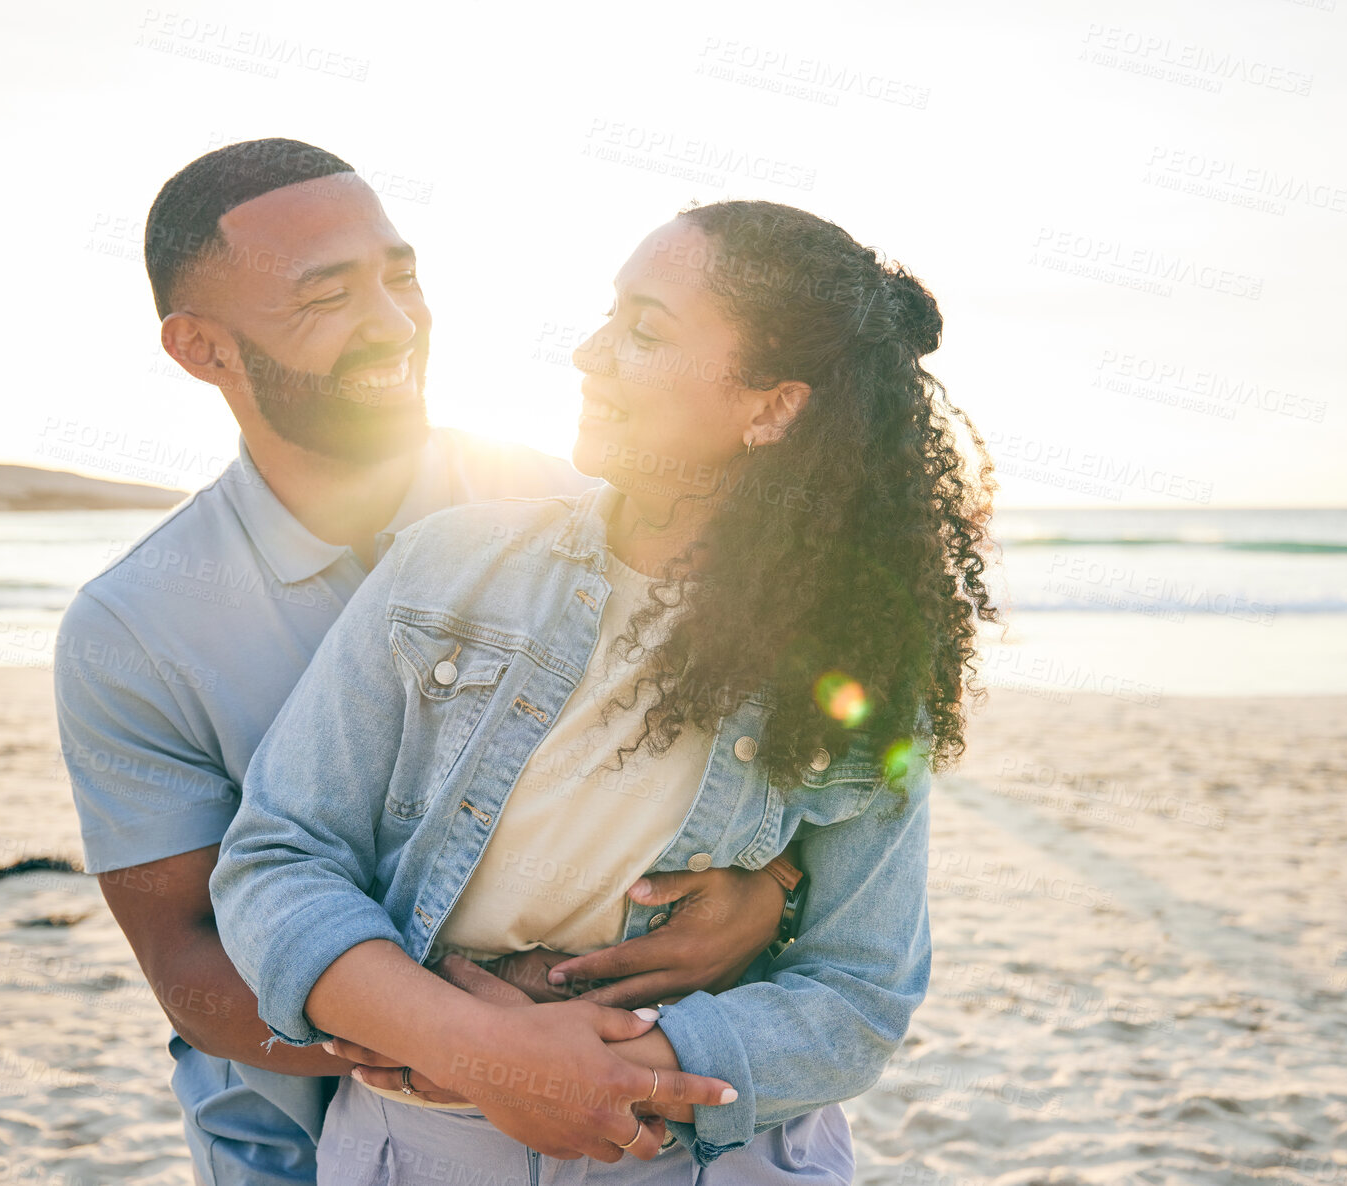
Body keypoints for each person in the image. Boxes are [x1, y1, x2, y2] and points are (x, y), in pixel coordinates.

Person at [53, 141, 804, 1185]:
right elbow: (186, 957)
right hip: (291, 1140)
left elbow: (785, 781)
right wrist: (467, 1046)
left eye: (400, 276)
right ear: (203, 349)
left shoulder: (601, 517)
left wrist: (773, 895)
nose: (396, 324)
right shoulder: (133, 628)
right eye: (326, 295)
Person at [211, 199, 1000, 1181]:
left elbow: (859, 990)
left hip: (704, 1152)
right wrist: (480, 1049)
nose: (589, 354)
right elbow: (277, 859)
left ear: (771, 408)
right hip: (421, 1148)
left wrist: (622, 1065)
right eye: (607, 316)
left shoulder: (856, 656)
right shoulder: (447, 568)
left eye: (643, 331)